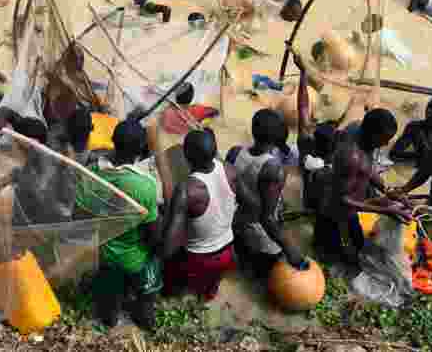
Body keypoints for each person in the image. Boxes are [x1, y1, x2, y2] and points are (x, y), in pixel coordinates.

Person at [79, 118, 162, 329]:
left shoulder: (91, 174)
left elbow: (79, 215)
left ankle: (110, 319)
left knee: (109, 302)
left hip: (103, 254)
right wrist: (157, 251)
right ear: (142, 148)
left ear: (113, 141)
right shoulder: (145, 185)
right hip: (134, 259)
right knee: (152, 268)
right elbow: (151, 233)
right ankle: (145, 316)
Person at [315, 106, 412, 267]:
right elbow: (343, 200)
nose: (387, 143)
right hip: (335, 217)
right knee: (342, 260)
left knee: (359, 249)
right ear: (373, 134)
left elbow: (367, 169)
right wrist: (384, 209)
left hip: (350, 211)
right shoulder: (351, 156)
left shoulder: (360, 133)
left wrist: (387, 191)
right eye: (385, 139)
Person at [225, 100, 309, 276]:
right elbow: (267, 218)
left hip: (236, 225)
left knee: (245, 262)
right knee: (267, 272)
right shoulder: (272, 169)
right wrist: (290, 249)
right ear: (278, 137)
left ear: (253, 130)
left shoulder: (234, 152)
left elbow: (232, 191)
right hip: (259, 237)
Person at [161, 129, 246, 300]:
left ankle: (172, 293)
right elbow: (254, 205)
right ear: (215, 152)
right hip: (228, 251)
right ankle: (208, 294)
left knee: (170, 273)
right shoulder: (230, 171)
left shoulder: (186, 190)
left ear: (186, 157)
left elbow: (168, 248)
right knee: (211, 284)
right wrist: (228, 222)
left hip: (198, 258)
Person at [389, 96, 432, 163]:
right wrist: (419, 157)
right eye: (429, 106)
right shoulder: (414, 127)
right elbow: (394, 154)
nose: (429, 111)